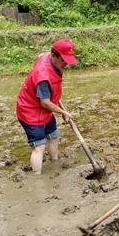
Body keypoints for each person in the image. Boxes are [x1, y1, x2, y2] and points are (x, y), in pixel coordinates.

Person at [16, 38, 78, 174]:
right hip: (30, 111)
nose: (66, 63)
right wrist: (63, 112)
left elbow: (40, 56)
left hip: (44, 109)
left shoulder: (47, 57)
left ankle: (55, 162)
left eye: (68, 60)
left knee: (53, 135)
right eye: (63, 60)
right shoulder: (43, 76)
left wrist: (61, 111)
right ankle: (37, 180)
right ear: (54, 55)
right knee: (39, 146)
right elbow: (44, 102)